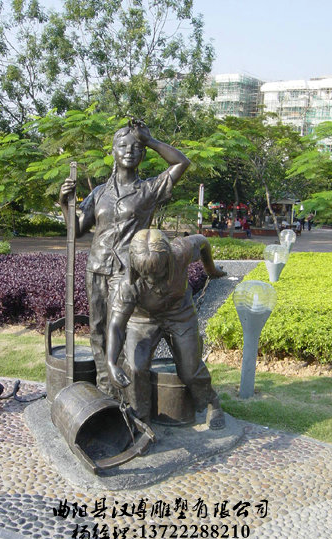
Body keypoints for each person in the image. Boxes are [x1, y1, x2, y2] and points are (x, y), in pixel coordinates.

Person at [59, 121, 190, 396]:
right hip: (97, 267)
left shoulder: (149, 190)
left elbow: (181, 163)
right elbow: (76, 231)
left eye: (136, 147)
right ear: (113, 152)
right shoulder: (99, 193)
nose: (129, 151)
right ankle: (105, 391)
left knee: (119, 330)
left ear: (142, 154)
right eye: (122, 146)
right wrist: (64, 203)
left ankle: (124, 395)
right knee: (97, 330)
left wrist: (150, 140)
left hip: (127, 271)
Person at [107, 229, 226, 430]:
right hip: (142, 319)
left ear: (169, 260)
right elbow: (116, 326)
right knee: (135, 368)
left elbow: (204, 243)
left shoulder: (181, 250)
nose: (153, 280)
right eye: (146, 275)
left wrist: (212, 270)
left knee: (190, 369)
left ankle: (210, 401)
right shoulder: (126, 284)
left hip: (180, 314)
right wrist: (111, 363)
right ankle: (141, 416)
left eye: (159, 273)